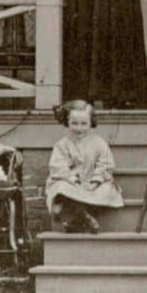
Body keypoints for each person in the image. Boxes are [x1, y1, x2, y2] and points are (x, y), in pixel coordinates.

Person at [46, 99, 124, 234]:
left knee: (107, 189)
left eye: (84, 124)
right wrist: (74, 181)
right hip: (71, 183)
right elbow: (58, 167)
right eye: (74, 123)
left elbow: (105, 164)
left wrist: (94, 182)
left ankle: (76, 218)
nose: (79, 128)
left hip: (93, 184)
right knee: (61, 188)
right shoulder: (62, 145)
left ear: (91, 123)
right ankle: (83, 215)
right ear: (67, 122)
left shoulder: (99, 143)